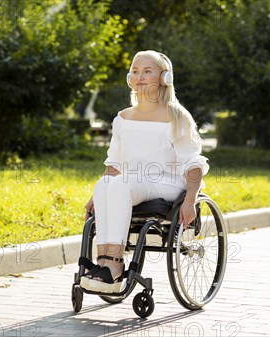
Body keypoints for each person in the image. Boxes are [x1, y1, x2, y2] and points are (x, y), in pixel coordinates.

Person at [80, 50, 209, 293]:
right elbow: (114, 163)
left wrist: (191, 199)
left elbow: (193, 162)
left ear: (164, 77)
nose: (140, 77)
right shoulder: (123, 118)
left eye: (147, 71)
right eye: (135, 71)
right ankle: (103, 263)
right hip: (131, 184)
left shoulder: (177, 117)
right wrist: (98, 195)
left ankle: (115, 266)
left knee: (120, 184)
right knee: (105, 184)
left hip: (168, 183)